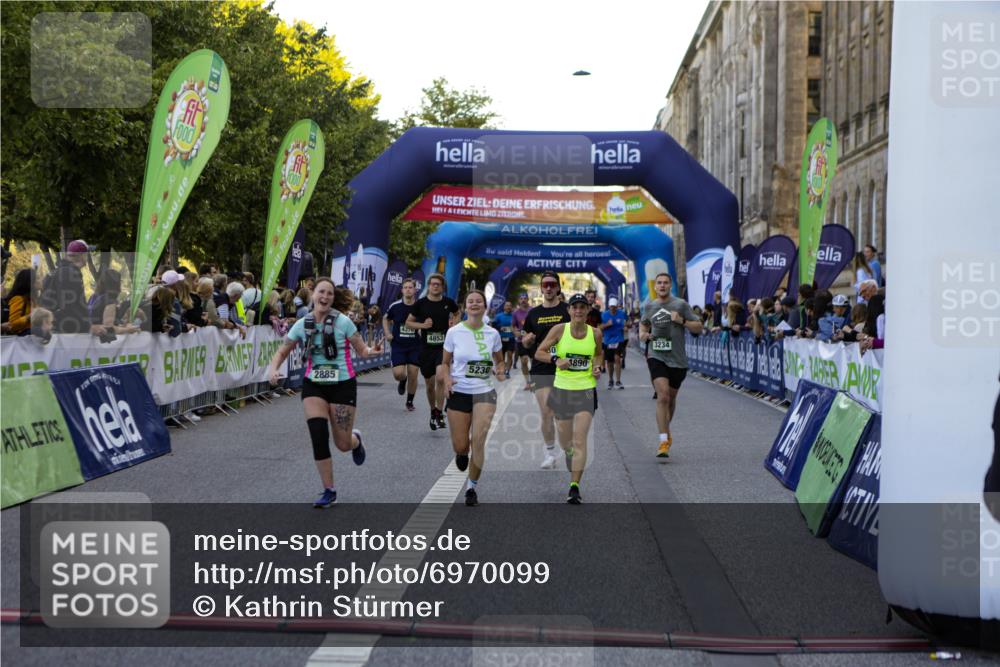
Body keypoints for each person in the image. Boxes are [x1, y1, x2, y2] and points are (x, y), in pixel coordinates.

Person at [266, 278, 383, 507]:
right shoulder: (302, 324)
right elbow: (282, 352)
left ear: (333, 298)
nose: (325, 297)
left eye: (330, 293)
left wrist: (372, 350)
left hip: (342, 384)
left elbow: (362, 351)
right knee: (318, 435)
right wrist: (273, 369)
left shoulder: (344, 323)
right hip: (314, 385)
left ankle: (355, 441)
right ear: (313, 295)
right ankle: (329, 490)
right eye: (321, 292)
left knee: (342, 444)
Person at [534, 293, 603, 504]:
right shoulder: (559, 330)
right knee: (566, 441)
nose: (579, 311)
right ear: (569, 310)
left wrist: (597, 366)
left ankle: (574, 487)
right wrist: (556, 359)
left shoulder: (596, 333)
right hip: (562, 389)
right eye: (575, 307)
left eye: (583, 307)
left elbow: (599, 354)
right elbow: (539, 352)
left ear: (588, 310)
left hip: (585, 390)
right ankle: (568, 451)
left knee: (580, 439)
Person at [439, 289, 506, 506]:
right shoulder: (454, 332)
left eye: (479, 301)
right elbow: (445, 363)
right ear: (465, 307)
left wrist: (501, 370)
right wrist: (447, 380)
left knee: (478, 440)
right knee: (461, 445)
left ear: (484, 307)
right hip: (459, 391)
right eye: (471, 301)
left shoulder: (493, 334)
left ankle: (471, 487)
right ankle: (461, 453)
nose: (475, 304)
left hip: (484, 391)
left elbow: (500, 360)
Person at [639, 273, 703, 458]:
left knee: (671, 399)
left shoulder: (680, 305)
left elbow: (698, 327)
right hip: (656, 355)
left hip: (678, 359)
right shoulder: (650, 305)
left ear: (670, 285)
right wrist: (644, 335)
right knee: (663, 396)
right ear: (655, 286)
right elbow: (643, 327)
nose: (662, 285)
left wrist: (682, 320)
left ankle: (666, 429)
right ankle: (663, 440)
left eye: (665, 282)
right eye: (659, 283)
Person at [520, 271, 571, 469]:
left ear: (558, 287)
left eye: (552, 284)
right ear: (541, 288)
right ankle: (550, 452)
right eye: (545, 285)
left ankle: (567, 447)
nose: (548, 288)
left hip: (566, 366)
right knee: (547, 412)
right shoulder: (533, 314)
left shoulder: (568, 310)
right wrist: (527, 340)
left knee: (563, 414)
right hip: (541, 366)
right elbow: (524, 341)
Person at [406, 273, 460, 430]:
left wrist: (453, 326)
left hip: (443, 347)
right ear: (428, 286)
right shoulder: (420, 304)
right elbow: (409, 323)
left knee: (441, 379)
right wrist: (423, 326)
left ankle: (440, 412)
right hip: (426, 349)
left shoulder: (448, 302)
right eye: (432, 284)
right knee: (430, 385)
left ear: (442, 287)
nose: (435, 286)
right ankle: (433, 411)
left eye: (438, 284)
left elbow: (457, 313)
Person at [38, 239, 102, 335]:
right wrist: (88, 327)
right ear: (82, 255)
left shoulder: (60, 271)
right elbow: (69, 306)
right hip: (63, 331)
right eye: (87, 254)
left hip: (56, 327)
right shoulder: (68, 273)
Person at [384, 278, 421, 411]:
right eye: (405, 287)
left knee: (413, 373)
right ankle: (402, 380)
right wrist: (388, 333)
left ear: (415, 290)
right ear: (402, 290)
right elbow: (385, 318)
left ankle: (409, 401)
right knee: (398, 374)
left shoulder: (420, 306)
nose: (408, 290)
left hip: (415, 345)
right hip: (398, 345)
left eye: (410, 287)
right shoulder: (395, 306)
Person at [89, 270, 139, 339]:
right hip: (104, 344)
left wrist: (123, 325)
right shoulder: (110, 301)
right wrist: (128, 330)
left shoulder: (93, 297)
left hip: (89, 338)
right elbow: (108, 328)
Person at [600, 297, 627, 389]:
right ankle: (611, 380)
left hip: (618, 339)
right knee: (610, 362)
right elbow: (599, 327)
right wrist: (607, 324)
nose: (613, 308)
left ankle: (618, 381)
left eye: (614, 307)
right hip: (607, 341)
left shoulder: (621, 313)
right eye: (611, 306)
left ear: (617, 306)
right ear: (609, 306)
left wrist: (626, 327)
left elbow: (627, 323)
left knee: (617, 358)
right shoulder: (604, 315)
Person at [1, 268, 35, 335]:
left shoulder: (32, 300)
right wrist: (29, 317)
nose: (42, 280)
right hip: (19, 342)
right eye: (38, 279)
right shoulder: (18, 299)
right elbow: (12, 325)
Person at [511, 292, 533, 390]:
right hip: (521, 340)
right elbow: (513, 325)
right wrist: (515, 332)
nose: (523, 300)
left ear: (528, 299)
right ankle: (528, 382)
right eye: (521, 298)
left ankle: (535, 380)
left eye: (525, 298)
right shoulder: (516, 313)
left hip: (532, 340)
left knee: (534, 362)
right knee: (524, 361)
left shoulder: (533, 310)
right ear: (519, 300)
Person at [491, 300, 516, 379]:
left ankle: (507, 371)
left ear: (511, 307)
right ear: (504, 307)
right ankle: (501, 370)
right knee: (500, 357)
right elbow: (493, 326)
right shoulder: (499, 316)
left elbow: (517, 326)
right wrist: (499, 328)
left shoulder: (514, 316)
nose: (508, 307)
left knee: (509, 355)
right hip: (500, 338)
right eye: (507, 305)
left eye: (510, 306)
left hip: (511, 338)